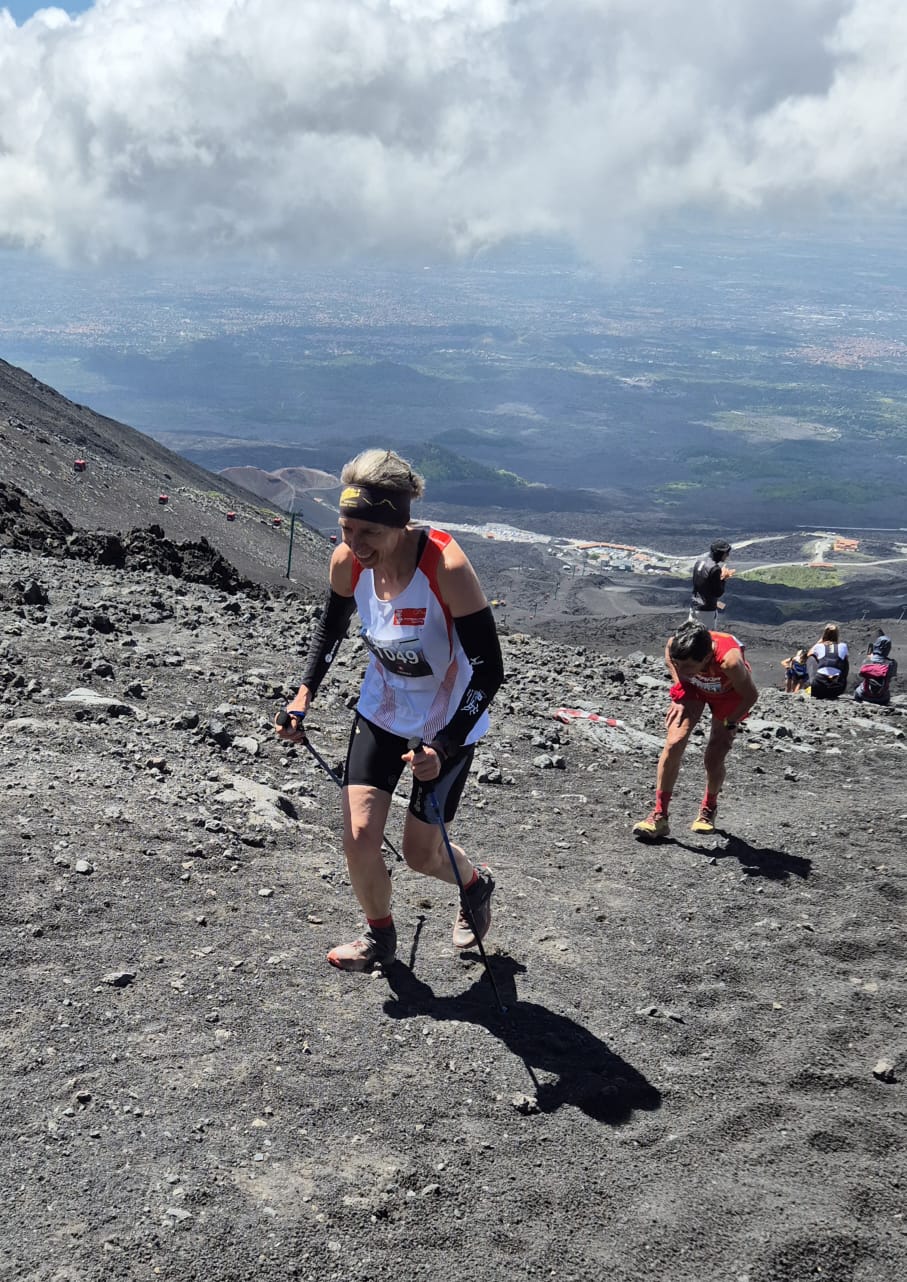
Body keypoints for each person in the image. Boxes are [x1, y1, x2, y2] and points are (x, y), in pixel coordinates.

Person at [276, 448, 504, 973]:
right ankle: (380, 938)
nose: (354, 545)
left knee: (421, 854)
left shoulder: (445, 566)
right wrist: (304, 694)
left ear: (399, 525)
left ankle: (474, 883)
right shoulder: (346, 561)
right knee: (358, 837)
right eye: (345, 529)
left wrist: (445, 745)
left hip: (446, 721)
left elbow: (488, 667)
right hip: (382, 709)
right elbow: (330, 628)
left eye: (368, 534)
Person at [633, 620, 759, 840]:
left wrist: (730, 721)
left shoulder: (730, 662)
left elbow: (750, 695)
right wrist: (680, 684)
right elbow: (670, 655)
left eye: (689, 666)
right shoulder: (678, 647)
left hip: (729, 695)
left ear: (707, 658)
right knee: (673, 742)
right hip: (695, 689)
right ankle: (659, 815)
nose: (684, 670)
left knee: (714, 755)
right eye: (679, 663)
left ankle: (709, 807)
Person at [690, 539, 734, 618]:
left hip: (694, 606)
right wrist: (724, 578)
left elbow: (702, 583)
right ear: (720, 553)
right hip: (706, 611)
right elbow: (718, 592)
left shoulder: (699, 562)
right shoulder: (715, 568)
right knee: (707, 630)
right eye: (726, 553)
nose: (727, 555)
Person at [806, 623, 849, 700]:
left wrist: (820, 641)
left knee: (811, 658)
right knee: (844, 660)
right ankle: (842, 681)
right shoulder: (843, 646)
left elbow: (809, 654)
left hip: (818, 688)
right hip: (837, 689)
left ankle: (812, 682)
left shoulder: (819, 646)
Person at [854, 634, 897, 705]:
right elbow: (890, 677)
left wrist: (870, 658)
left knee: (858, 688)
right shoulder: (892, 663)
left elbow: (860, 674)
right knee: (887, 692)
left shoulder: (867, 661)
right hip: (882, 699)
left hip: (863, 695)